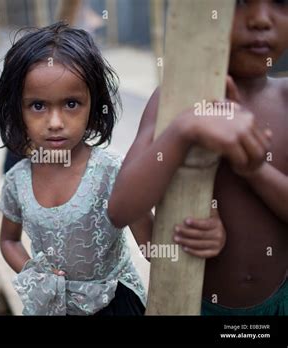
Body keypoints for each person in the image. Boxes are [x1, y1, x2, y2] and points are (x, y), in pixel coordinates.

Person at [0, 22, 226, 316]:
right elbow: (8, 240)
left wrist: (199, 239)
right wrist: (34, 273)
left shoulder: (113, 172)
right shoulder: (16, 181)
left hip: (113, 303)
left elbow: (152, 248)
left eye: (71, 103)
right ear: (17, 109)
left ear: (94, 105)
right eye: (37, 106)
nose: (54, 121)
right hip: (49, 306)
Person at [109, 0, 287, 315]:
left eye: (279, 2)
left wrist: (254, 171)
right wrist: (184, 129)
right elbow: (122, 208)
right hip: (195, 305)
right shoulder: (175, 100)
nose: (260, 19)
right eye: (240, 2)